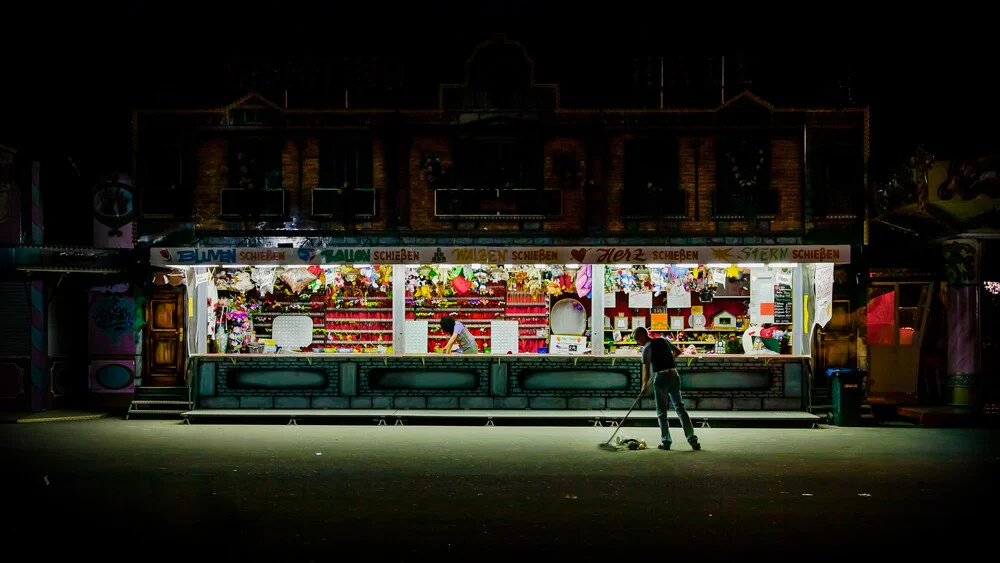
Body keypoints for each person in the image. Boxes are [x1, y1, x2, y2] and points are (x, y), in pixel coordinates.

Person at [632, 327, 701, 451]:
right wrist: (669, 361)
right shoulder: (663, 340)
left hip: (661, 378)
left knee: (662, 411)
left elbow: (646, 370)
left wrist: (644, 385)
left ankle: (666, 441)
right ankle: (692, 439)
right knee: (680, 408)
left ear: (643, 335)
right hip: (674, 375)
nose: (638, 342)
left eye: (637, 339)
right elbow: (677, 352)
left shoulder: (647, 348)